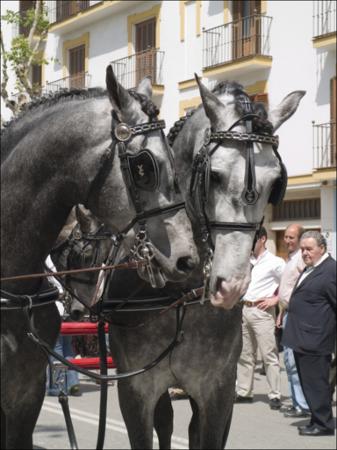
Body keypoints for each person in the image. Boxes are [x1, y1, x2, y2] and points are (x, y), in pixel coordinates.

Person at [282, 231, 336, 436]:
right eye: (302, 249)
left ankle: (324, 425)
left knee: (317, 385)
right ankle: (316, 419)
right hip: (302, 338)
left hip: (316, 339)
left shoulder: (331, 270)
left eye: (309, 249)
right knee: (309, 384)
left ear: (321, 249)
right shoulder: (311, 268)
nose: (304, 252)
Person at [235, 227, 285, 410]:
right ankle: (244, 392)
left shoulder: (276, 262)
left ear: (262, 239)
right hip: (244, 310)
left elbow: (291, 284)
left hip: (262, 312)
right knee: (245, 354)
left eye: (252, 239)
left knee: (269, 355)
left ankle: (275, 395)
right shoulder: (245, 261)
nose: (249, 243)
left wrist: (275, 299)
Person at [276, 224, 310, 418]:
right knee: (288, 361)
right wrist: (281, 313)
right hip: (288, 313)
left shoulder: (301, 259)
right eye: (286, 237)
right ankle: (297, 402)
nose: (287, 240)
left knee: (294, 362)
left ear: (300, 239)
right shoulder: (291, 259)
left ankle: (303, 405)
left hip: (297, 316)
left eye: (291, 237)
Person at [45, 255, 81, 397]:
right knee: (68, 348)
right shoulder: (69, 259)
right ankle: (73, 383)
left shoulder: (48, 257)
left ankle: (57, 385)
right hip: (69, 307)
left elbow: (50, 277)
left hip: (57, 307)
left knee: (57, 348)